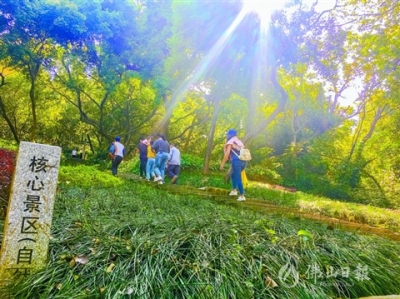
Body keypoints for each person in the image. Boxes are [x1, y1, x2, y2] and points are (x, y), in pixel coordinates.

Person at [219, 129, 247, 201]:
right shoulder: (239, 142)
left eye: (228, 134)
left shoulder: (230, 142)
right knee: (233, 174)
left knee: (238, 177)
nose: (227, 136)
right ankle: (234, 190)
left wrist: (222, 164)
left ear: (230, 135)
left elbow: (227, 154)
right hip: (244, 162)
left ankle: (242, 195)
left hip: (236, 161)